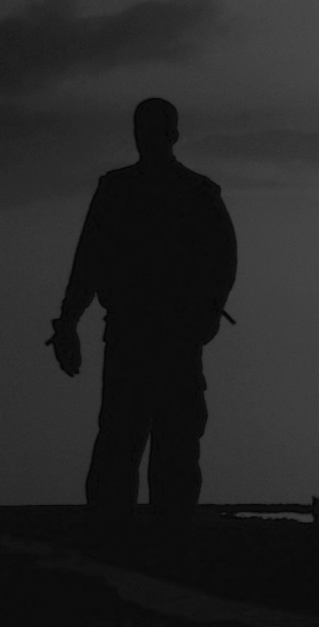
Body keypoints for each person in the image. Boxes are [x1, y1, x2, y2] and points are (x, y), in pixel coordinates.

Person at [47, 97, 237, 529]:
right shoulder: (134, 189)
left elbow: (223, 260)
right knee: (130, 435)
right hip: (143, 332)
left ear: (169, 135)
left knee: (162, 438)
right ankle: (131, 533)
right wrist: (68, 322)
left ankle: (153, 532)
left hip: (164, 333)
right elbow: (89, 262)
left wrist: (207, 311)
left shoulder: (185, 191)